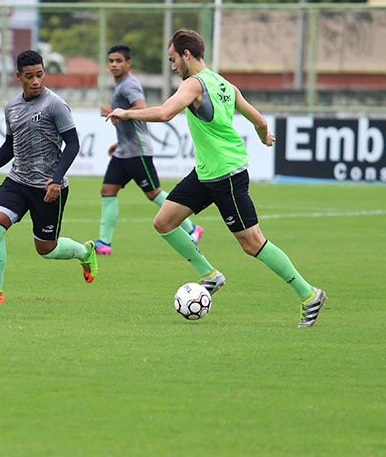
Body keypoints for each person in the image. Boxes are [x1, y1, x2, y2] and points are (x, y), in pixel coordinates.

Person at [106, 29, 327, 327]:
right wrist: (265, 137)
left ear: (186, 54)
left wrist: (125, 113)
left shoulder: (194, 84)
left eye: (173, 60)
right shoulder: (225, 85)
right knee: (164, 222)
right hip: (205, 173)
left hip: (226, 175)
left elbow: (164, 114)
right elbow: (260, 121)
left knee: (252, 243)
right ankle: (210, 275)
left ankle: (309, 294)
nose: (172, 67)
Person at [0, 49, 98, 304]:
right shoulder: (12, 107)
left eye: (39, 75)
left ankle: (84, 251)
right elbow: (9, 147)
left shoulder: (55, 104)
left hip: (48, 187)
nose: (36, 81)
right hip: (17, 181)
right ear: (18, 76)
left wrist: (56, 179)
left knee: (46, 249)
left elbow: (72, 144)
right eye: (29, 76)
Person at [95, 44, 203, 256]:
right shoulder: (120, 85)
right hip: (124, 150)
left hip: (138, 151)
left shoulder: (129, 85)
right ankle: (104, 242)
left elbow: (141, 108)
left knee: (153, 193)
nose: (114, 65)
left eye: (118, 61)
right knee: (108, 190)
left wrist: (118, 112)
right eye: (111, 61)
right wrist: (120, 141)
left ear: (128, 63)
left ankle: (192, 228)